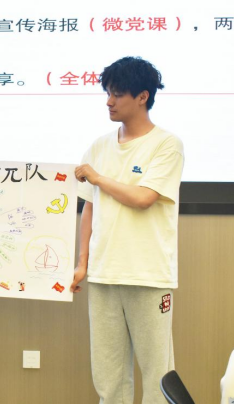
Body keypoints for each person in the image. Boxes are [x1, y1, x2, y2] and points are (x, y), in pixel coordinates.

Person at [71, 57, 184, 403]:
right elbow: (89, 208)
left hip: (148, 275)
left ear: (142, 96)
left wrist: (98, 178)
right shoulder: (99, 146)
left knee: (157, 375)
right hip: (104, 274)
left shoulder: (167, 144)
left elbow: (144, 198)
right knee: (109, 379)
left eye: (117, 94)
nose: (109, 101)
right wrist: (82, 263)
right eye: (107, 93)